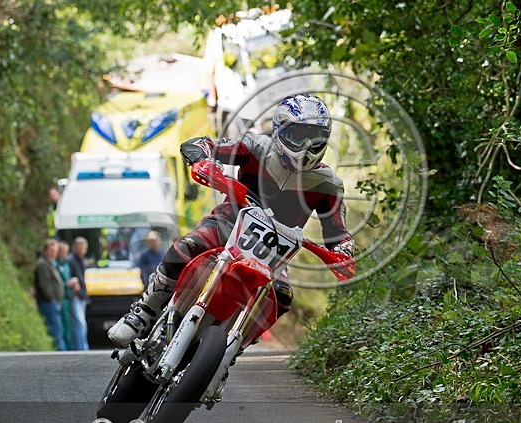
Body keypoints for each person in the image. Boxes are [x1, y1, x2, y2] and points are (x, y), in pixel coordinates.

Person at [109, 93, 354, 347]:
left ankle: (234, 347)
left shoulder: (329, 184)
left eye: (314, 138)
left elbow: (338, 231)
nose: (305, 145)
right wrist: (201, 158)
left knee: (281, 297)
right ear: (280, 131)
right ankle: (144, 311)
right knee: (189, 245)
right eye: (297, 135)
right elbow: (206, 145)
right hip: (229, 223)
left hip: (275, 251)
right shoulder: (256, 146)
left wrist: (343, 250)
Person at [34, 238, 66, 350]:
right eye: (52, 251)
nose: (54, 253)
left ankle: (59, 350)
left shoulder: (51, 263)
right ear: (45, 251)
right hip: (49, 303)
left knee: (58, 329)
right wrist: (52, 299)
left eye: (55, 251)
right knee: (55, 330)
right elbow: (45, 285)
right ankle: (58, 352)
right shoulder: (43, 264)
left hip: (54, 302)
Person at [54, 241, 78, 350]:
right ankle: (63, 349)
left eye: (65, 251)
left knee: (69, 326)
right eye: (61, 251)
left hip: (69, 297)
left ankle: (70, 348)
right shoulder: (55, 264)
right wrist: (67, 284)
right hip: (61, 298)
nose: (63, 253)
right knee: (62, 326)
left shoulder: (66, 264)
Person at [68, 236, 90, 351]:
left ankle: (83, 346)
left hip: (81, 295)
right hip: (75, 295)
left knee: (82, 324)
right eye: (80, 248)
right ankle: (80, 348)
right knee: (79, 323)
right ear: (74, 247)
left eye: (84, 248)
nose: (82, 251)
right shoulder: (71, 260)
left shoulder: (82, 260)